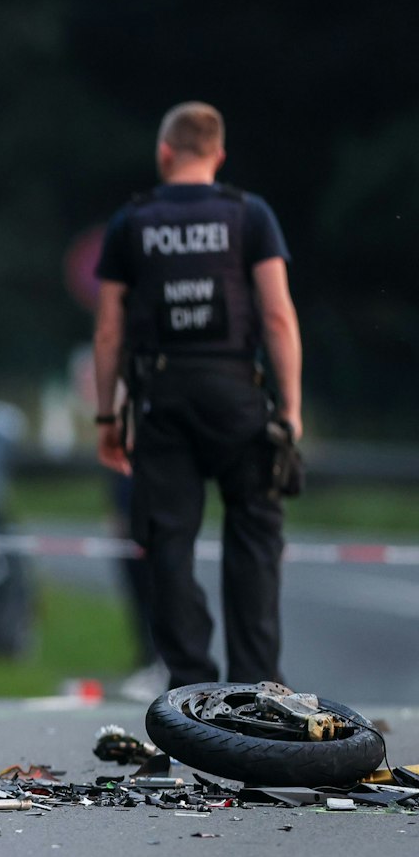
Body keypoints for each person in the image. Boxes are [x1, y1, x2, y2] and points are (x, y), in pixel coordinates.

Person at [92, 102, 302, 690]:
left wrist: (108, 415)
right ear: (219, 156)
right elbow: (278, 317)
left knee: (167, 540)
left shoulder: (131, 223)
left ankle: (189, 682)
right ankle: (258, 684)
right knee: (255, 536)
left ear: (164, 154)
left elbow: (109, 329)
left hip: (164, 400)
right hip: (238, 394)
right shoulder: (250, 216)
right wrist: (289, 410)